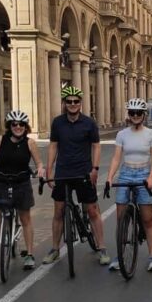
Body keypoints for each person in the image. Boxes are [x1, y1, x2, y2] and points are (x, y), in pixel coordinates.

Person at [42, 86, 109, 266]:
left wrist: (95, 169)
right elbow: (53, 146)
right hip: (63, 172)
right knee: (59, 211)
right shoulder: (57, 123)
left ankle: (102, 248)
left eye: (76, 101)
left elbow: (96, 146)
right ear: (64, 103)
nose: (72, 104)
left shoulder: (89, 123)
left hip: (83, 172)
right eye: (69, 101)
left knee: (92, 210)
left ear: (80, 103)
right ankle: (55, 249)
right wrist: (49, 170)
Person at [0, 110, 45, 272]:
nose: (18, 127)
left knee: (26, 219)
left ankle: (29, 254)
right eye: (14, 124)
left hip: (21, 183)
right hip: (1, 182)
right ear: (10, 126)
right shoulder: (1, 140)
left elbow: (39, 163)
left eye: (21, 124)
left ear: (25, 127)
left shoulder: (30, 143)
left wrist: (41, 170)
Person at [105, 98, 152, 271]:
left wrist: (151, 178)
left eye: (138, 113)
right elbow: (116, 158)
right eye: (132, 113)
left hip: (144, 173)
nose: (135, 116)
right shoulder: (122, 134)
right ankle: (120, 255)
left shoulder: (151, 134)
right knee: (121, 218)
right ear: (128, 115)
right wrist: (109, 178)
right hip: (126, 173)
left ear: (144, 115)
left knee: (148, 219)